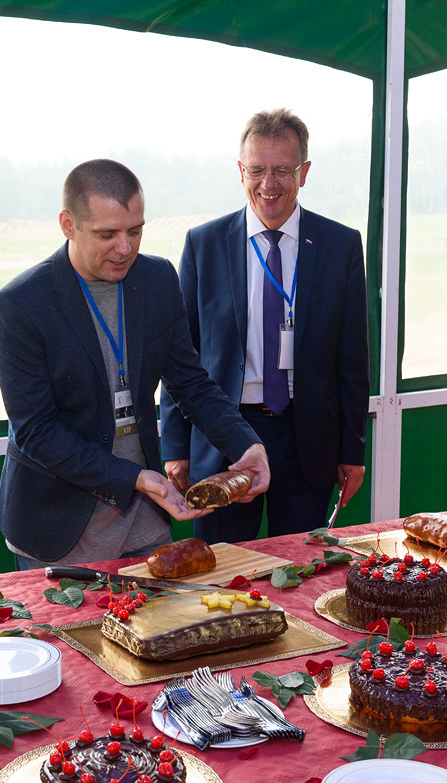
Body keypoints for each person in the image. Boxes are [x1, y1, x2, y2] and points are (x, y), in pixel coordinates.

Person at [0, 159, 269, 570]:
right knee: (60, 635)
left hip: (145, 519)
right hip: (57, 525)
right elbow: (37, 432)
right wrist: (133, 477)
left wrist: (248, 446)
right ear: (68, 224)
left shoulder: (157, 279)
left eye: (135, 230)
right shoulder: (20, 305)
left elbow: (190, 383)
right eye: (108, 234)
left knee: (157, 630)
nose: (126, 248)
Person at [160, 108, 369, 544]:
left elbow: (352, 360)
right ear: (241, 171)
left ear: (304, 172)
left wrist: (352, 451)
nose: (268, 184)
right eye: (256, 170)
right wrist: (175, 447)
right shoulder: (204, 245)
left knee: (302, 570)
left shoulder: (340, 245)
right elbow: (181, 355)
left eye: (282, 170)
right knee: (219, 573)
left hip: (306, 440)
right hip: (224, 438)